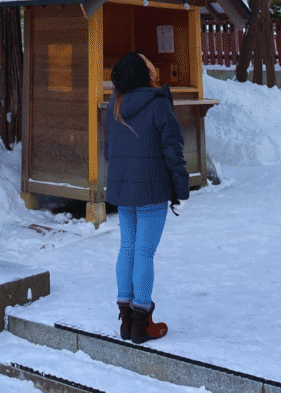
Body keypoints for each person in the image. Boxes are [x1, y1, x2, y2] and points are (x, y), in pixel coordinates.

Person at [103, 50, 190, 344]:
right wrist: (180, 188)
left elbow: (108, 150)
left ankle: (127, 322)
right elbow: (173, 151)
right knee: (143, 253)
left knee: (127, 249)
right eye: (149, 63)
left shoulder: (114, 104)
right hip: (152, 190)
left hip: (125, 189)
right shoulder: (158, 104)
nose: (154, 65)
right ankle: (143, 324)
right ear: (144, 73)